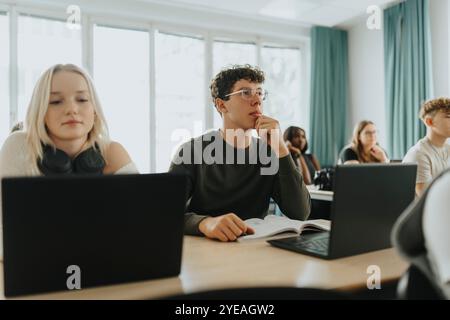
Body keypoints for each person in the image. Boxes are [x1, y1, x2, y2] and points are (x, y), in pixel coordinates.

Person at [0, 64, 138, 260]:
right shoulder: (20, 146)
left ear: (95, 110)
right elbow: (4, 233)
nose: (72, 109)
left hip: (101, 267)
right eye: (56, 101)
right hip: (39, 270)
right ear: (41, 112)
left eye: (82, 99)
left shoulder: (112, 152)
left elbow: (142, 226)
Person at [169, 65, 311, 242]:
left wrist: (281, 149)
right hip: (205, 251)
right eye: (245, 92)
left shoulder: (269, 152)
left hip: (255, 250)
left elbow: (300, 213)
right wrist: (204, 223)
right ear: (222, 105)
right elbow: (165, 213)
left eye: (259, 93)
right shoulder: (191, 151)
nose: (257, 100)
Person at [403, 98, 450, 196]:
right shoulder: (419, 154)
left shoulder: (448, 149)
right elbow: (428, 198)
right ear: (429, 122)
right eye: (448, 116)